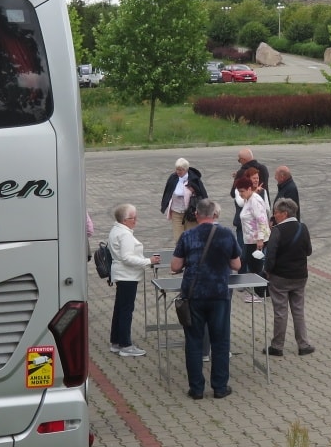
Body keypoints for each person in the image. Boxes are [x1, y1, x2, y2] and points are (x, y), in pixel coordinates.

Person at [171, 199, 243, 400]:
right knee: (220, 342)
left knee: (193, 342)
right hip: (218, 294)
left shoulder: (187, 235)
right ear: (215, 215)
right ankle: (220, 387)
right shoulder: (227, 234)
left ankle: (196, 389)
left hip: (193, 296)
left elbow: (175, 266)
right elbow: (236, 264)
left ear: (196, 214)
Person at [263, 197, 314, 356]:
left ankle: (277, 346)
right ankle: (303, 345)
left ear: (284, 214)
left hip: (280, 277)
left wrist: (267, 271)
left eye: (276, 213)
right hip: (300, 276)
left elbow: (270, 256)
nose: (274, 215)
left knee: (280, 311)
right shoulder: (302, 228)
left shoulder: (277, 231)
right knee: (298, 310)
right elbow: (309, 251)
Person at [107, 204, 159, 357]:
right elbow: (127, 257)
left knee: (120, 308)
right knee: (126, 310)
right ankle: (125, 344)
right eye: (133, 218)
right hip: (127, 276)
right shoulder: (125, 235)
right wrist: (148, 261)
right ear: (124, 220)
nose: (136, 220)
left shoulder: (117, 229)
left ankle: (116, 341)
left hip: (122, 275)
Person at [234, 169, 271, 300]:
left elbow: (261, 220)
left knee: (256, 266)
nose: (241, 194)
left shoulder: (255, 201)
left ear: (249, 189)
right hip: (250, 239)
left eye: (242, 191)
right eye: (239, 192)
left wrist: (260, 239)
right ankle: (261, 291)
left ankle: (262, 293)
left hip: (256, 240)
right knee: (253, 265)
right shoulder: (248, 199)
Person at [159, 157, 207, 244]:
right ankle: (181, 256)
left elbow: (203, 195)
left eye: (180, 170)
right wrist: (164, 205)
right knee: (179, 239)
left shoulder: (194, 179)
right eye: (177, 169)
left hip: (190, 213)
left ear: (186, 169)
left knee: (191, 238)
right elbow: (167, 192)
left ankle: (191, 256)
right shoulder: (173, 178)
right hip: (176, 212)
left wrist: (194, 191)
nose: (178, 172)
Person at [229, 148, 269, 244]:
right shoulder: (263, 168)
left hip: (246, 225)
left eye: (257, 178)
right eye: (254, 178)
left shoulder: (242, 172)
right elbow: (267, 208)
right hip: (260, 227)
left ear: (243, 159)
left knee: (244, 254)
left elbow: (235, 196)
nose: (256, 180)